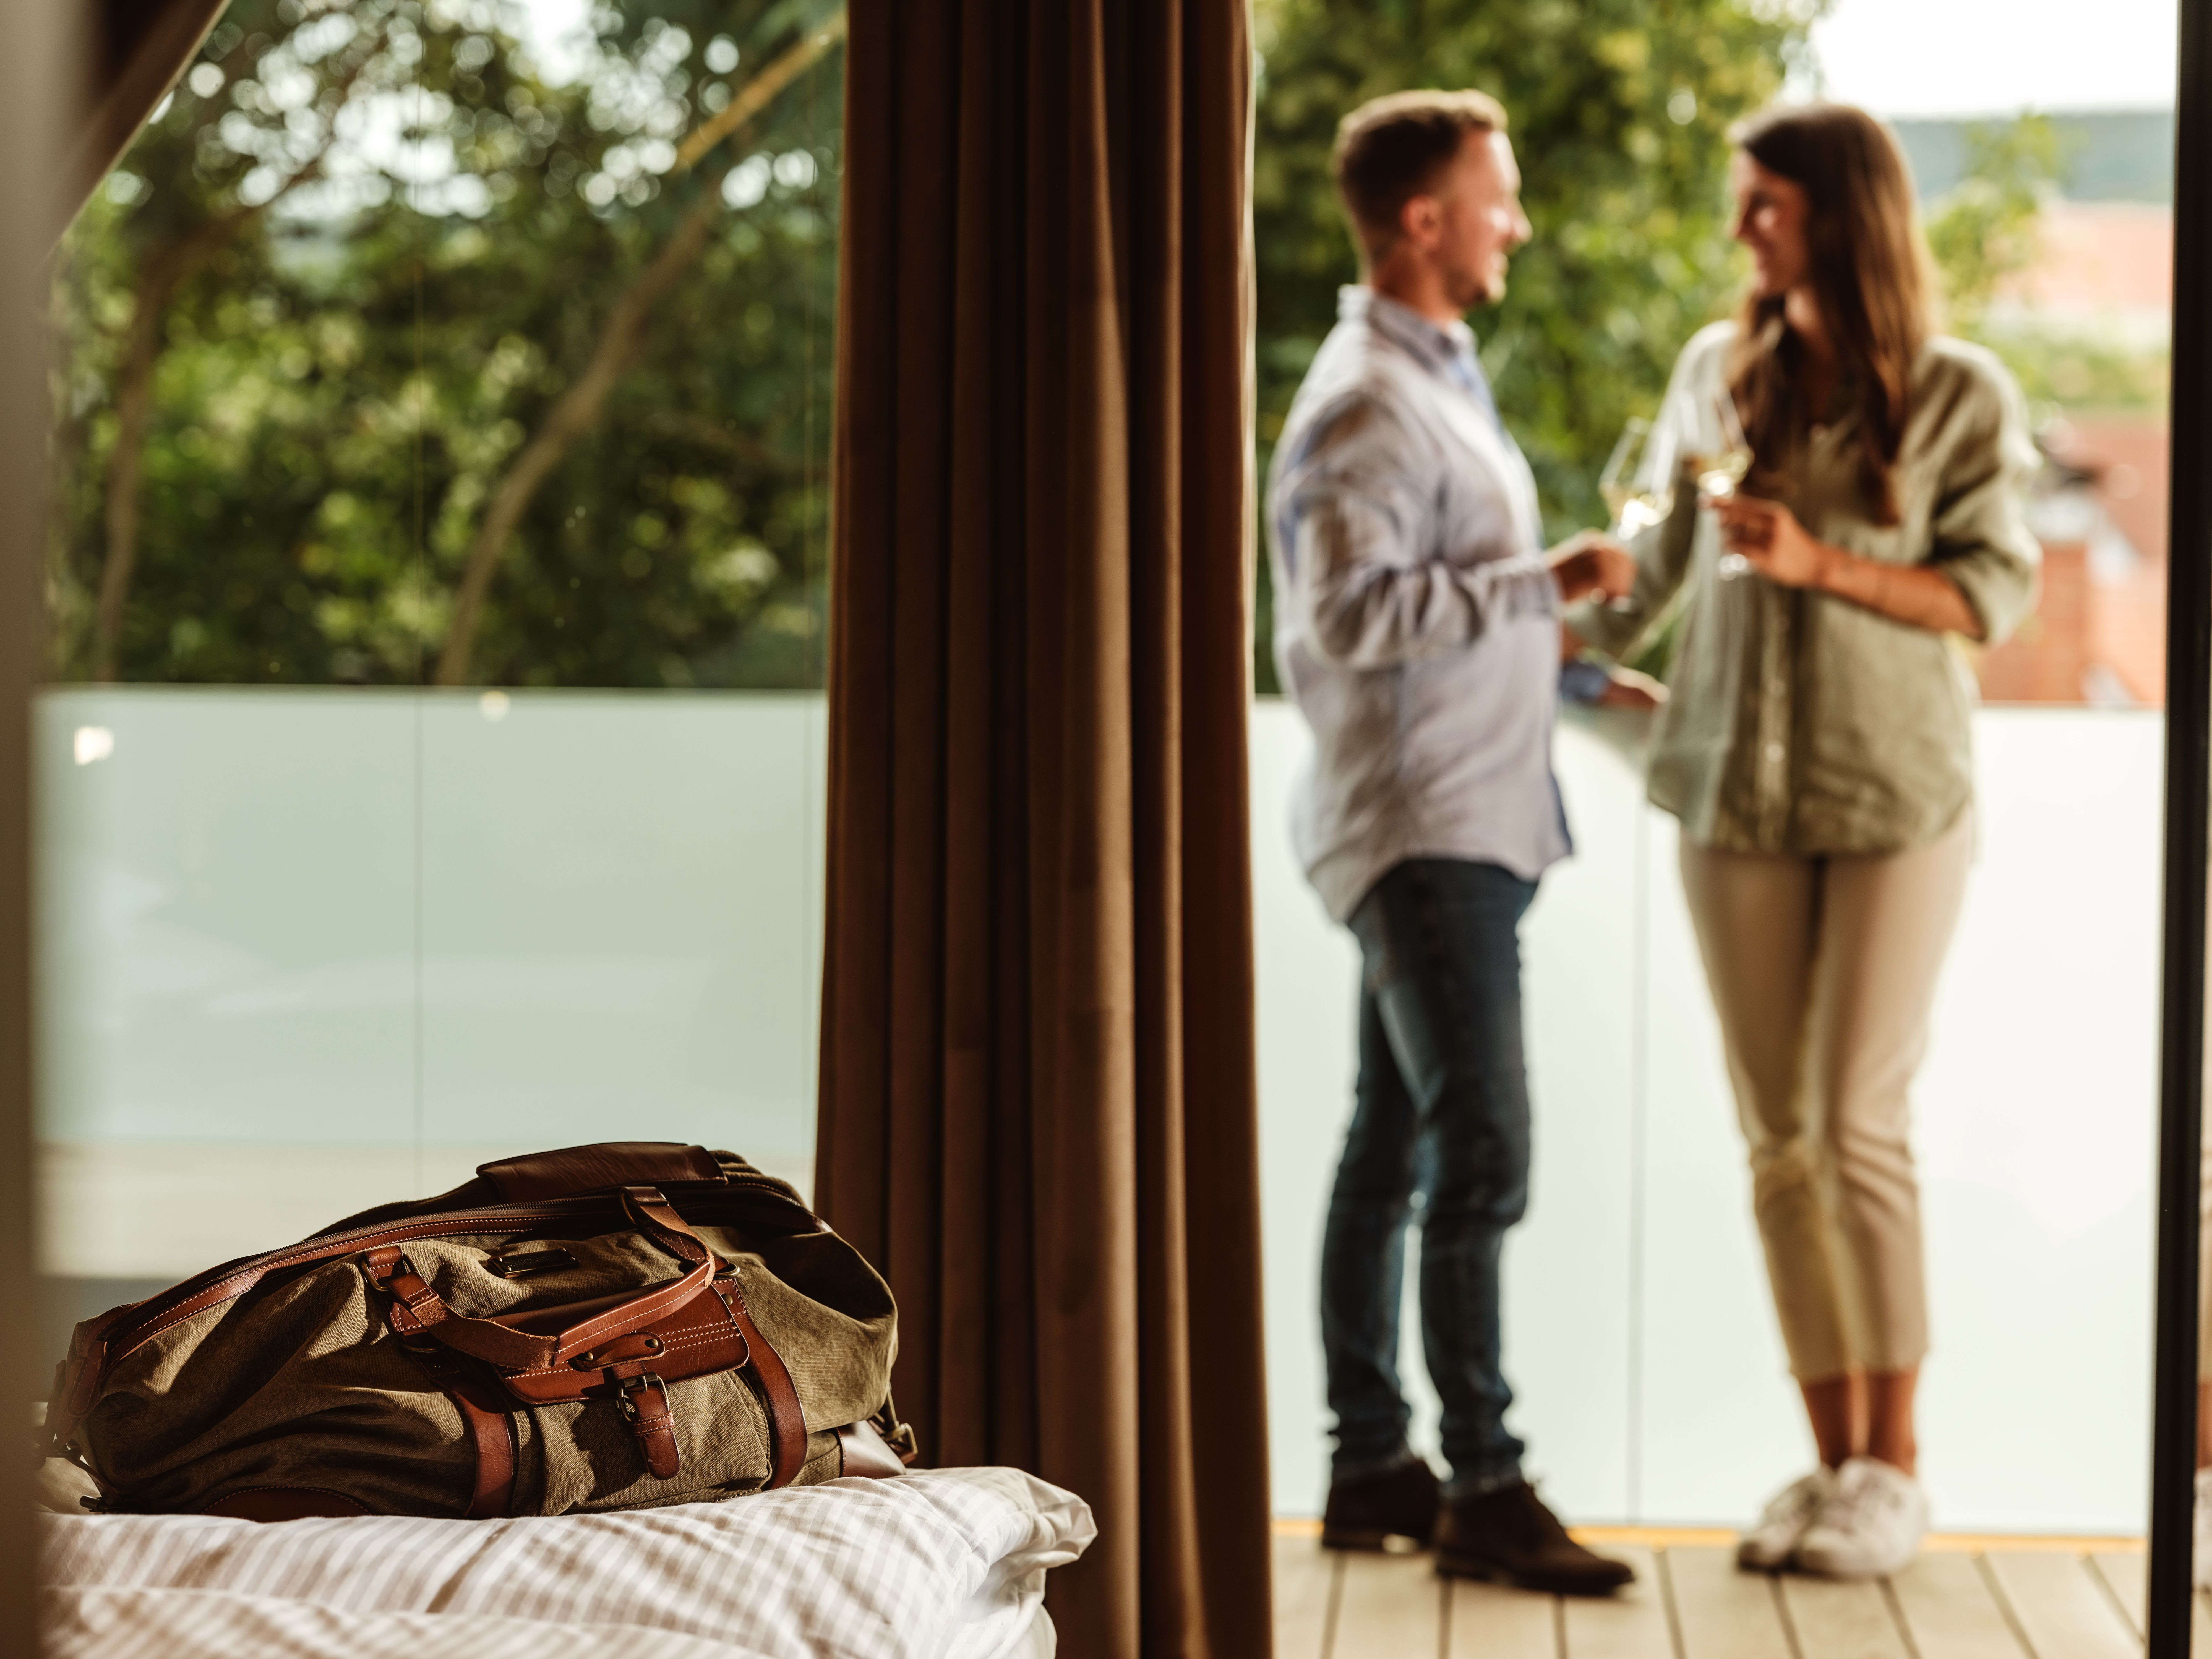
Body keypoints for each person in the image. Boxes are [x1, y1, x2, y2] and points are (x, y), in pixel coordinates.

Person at [1566, 103, 2040, 1579]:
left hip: (1895, 796)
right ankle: (1832, 1462)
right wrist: (1542, 612)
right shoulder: (1721, 373)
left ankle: (1897, 1467)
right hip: (1732, 795)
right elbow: (1645, 583)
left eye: (1762, 206)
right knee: (1778, 1142)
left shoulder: (1959, 392)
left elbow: (1991, 596)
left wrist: (1823, 561)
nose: (1740, 233)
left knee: (1852, 1121)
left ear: (1838, 213)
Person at [1267, 87, 1654, 1596]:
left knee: (1391, 1144)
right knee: (1480, 1150)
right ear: (1424, 220)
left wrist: (1570, 665)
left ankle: (1372, 1464)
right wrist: (1540, 580)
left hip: (1460, 814)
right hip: (1427, 829)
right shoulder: (1368, 399)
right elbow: (1351, 616)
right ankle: (1485, 1486)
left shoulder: (1436, 380)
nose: (1520, 222)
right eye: (1499, 197)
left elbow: (1451, 601)